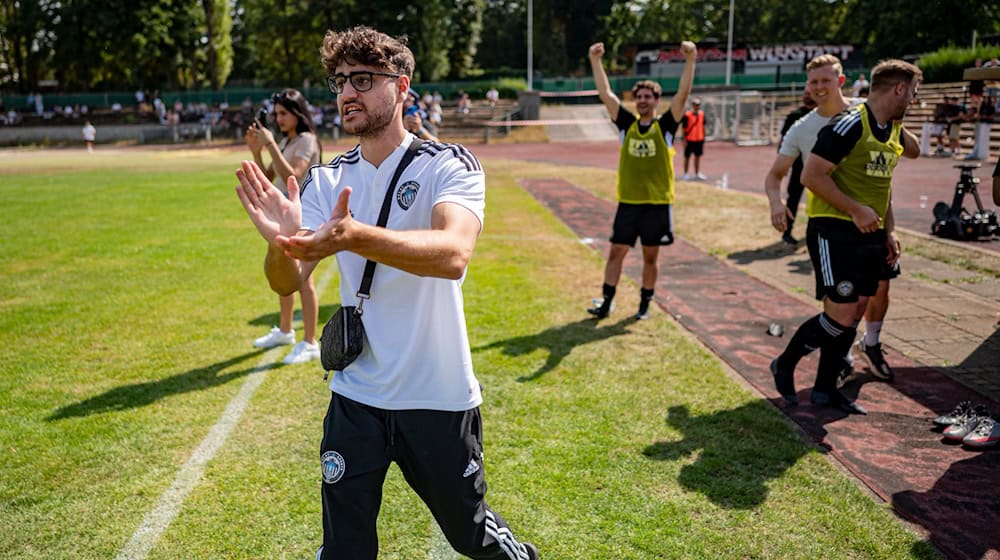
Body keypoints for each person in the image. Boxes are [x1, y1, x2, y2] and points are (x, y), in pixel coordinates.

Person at [234, 25, 538, 560]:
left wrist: (355, 236)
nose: (347, 92)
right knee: (344, 550)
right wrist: (282, 244)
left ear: (401, 87)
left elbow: (453, 254)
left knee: (473, 538)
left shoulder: (447, 163)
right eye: (340, 81)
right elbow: (286, 283)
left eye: (363, 79)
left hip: (436, 395)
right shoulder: (326, 181)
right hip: (356, 397)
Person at [770, 59, 922, 414]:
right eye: (912, 92)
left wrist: (888, 229)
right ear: (899, 89)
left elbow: (887, 181)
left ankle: (824, 389)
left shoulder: (889, 126)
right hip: (834, 230)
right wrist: (854, 209)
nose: (914, 100)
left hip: (871, 233)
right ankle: (785, 362)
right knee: (839, 314)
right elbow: (811, 176)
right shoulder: (849, 124)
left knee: (855, 313)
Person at [586, 39, 696, 320]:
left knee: (650, 258)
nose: (644, 100)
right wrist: (595, 61)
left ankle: (644, 304)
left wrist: (690, 61)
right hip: (629, 203)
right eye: (640, 97)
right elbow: (606, 94)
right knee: (615, 254)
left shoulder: (666, 126)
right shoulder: (627, 124)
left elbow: (683, 94)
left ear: (657, 101)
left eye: (649, 97)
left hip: (657, 204)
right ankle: (607, 302)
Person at [244, 88, 323, 365]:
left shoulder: (306, 140)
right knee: (283, 275)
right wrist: (257, 152)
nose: (278, 119)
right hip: (283, 217)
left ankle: (310, 341)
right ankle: (287, 330)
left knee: (304, 279)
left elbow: (294, 176)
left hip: (304, 216)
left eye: (283, 113)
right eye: (276, 114)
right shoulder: (288, 141)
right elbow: (269, 177)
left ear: (297, 113)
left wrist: (270, 145)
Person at [774, 89, 816, 244]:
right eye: (805, 94)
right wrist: (782, 163)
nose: (807, 97)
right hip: (799, 165)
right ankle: (787, 232)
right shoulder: (794, 116)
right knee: (793, 198)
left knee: (821, 200)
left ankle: (816, 233)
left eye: (809, 94)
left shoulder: (824, 115)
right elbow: (783, 140)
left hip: (820, 168)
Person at [680, 98, 707, 180]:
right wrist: (684, 140)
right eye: (695, 105)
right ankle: (685, 174)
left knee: (697, 157)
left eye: (698, 105)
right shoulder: (687, 115)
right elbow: (684, 128)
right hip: (689, 139)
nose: (697, 106)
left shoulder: (702, 114)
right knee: (687, 157)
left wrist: (704, 137)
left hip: (699, 139)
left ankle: (697, 173)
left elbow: (703, 126)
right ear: (692, 105)